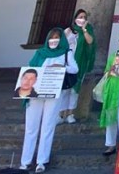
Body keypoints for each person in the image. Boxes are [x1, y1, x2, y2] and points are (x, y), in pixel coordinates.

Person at [20, 28, 78, 173]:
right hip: (36, 92)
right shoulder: (40, 53)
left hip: (53, 92)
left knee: (48, 126)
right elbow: (30, 68)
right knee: (31, 127)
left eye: (57, 37)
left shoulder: (66, 52)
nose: (54, 40)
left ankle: (41, 161)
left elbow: (75, 69)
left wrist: (62, 67)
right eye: (51, 37)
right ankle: (25, 161)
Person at [58, 8, 94, 124]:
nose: (82, 19)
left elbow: (90, 42)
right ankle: (61, 114)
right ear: (75, 18)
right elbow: (60, 45)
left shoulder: (87, 30)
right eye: (80, 17)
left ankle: (70, 114)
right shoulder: (67, 31)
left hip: (79, 63)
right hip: (66, 63)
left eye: (84, 17)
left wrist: (84, 30)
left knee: (74, 90)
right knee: (64, 90)